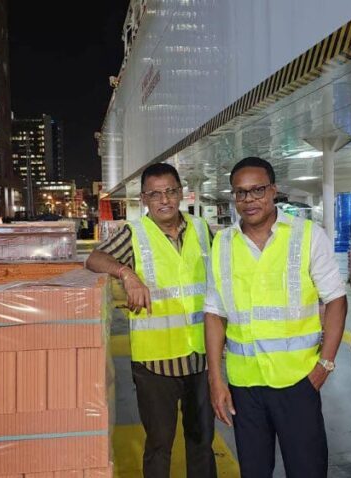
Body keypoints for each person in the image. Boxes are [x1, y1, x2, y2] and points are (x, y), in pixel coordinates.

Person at [204, 157, 348, 478]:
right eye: (240, 193)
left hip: (298, 380)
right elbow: (215, 314)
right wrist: (217, 380)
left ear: (273, 190)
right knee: (254, 471)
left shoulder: (307, 235)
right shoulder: (223, 244)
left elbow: (336, 300)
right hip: (244, 384)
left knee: (307, 470)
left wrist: (325, 364)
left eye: (257, 190)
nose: (249, 200)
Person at [85, 163, 216, 478]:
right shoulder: (135, 234)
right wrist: (126, 274)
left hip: (200, 357)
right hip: (155, 365)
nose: (165, 200)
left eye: (170, 191)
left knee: (202, 442)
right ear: (144, 199)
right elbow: (93, 259)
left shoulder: (202, 230)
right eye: (155, 194)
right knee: (159, 444)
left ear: (181, 192)